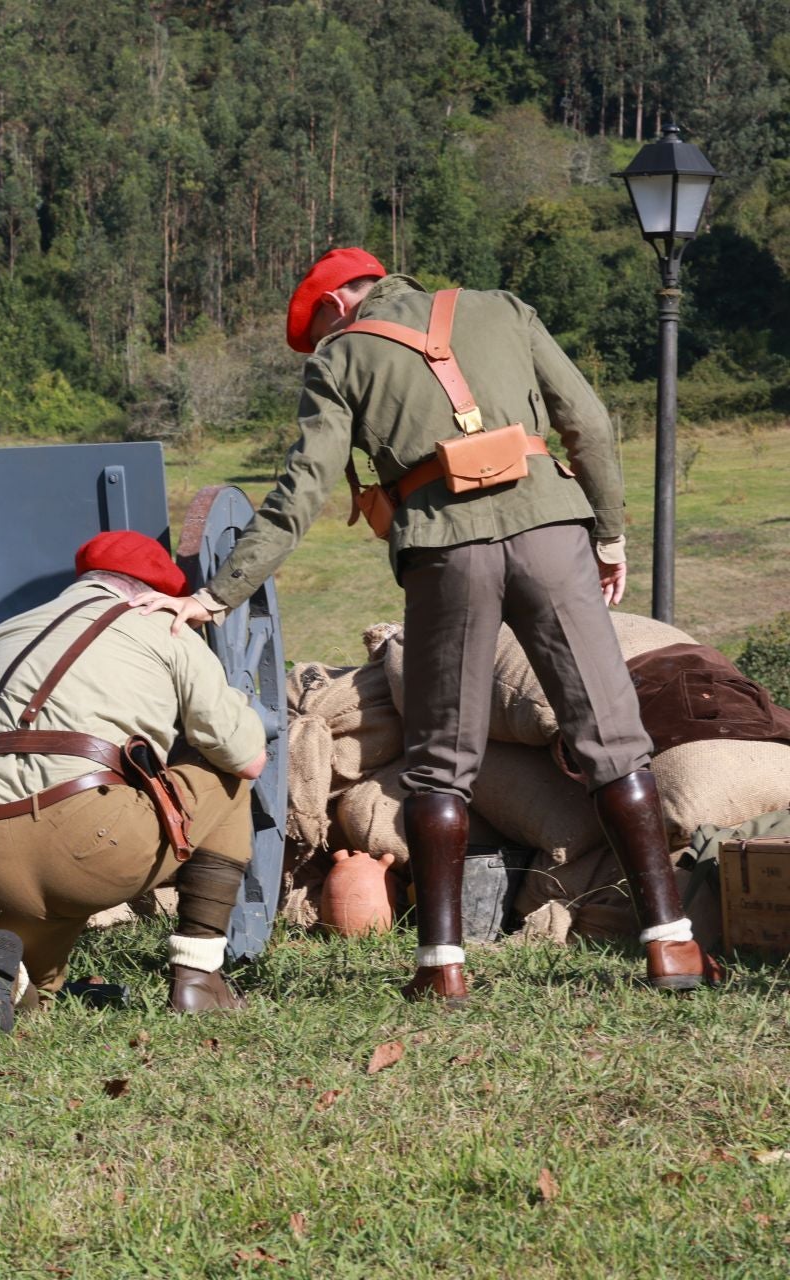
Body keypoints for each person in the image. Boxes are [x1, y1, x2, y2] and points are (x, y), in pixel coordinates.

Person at [133, 246, 722, 1001]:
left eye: (321, 329)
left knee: (441, 765)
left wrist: (216, 595)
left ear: (336, 305)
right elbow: (589, 424)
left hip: (448, 553)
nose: (326, 341)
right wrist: (608, 533)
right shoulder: (502, 308)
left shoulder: (342, 356)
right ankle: (672, 947)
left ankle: (442, 966)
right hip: (552, 536)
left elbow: (303, 488)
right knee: (612, 741)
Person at [0, 531, 268, 1031]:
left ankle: (17, 981)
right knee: (225, 778)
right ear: (153, 594)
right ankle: (199, 977)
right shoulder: (166, 626)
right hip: (90, 841)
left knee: (41, 986)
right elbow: (246, 758)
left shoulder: (3, 633)